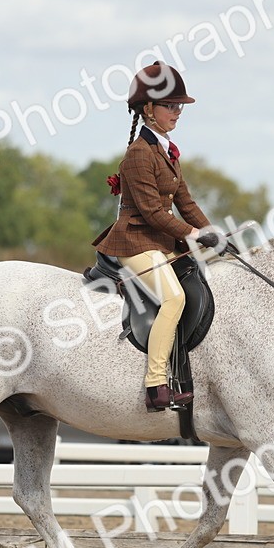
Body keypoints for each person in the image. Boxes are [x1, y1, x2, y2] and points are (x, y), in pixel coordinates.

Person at [92, 62, 224, 412]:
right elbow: (152, 212)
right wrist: (194, 234)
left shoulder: (167, 151)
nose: (177, 113)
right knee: (174, 299)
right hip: (134, 240)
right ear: (149, 109)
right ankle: (155, 382)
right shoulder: (138, 154)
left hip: (161, 242)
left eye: (180, 106)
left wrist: (213, 232)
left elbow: (185, 201)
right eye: (171, 106)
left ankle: (184, 375)